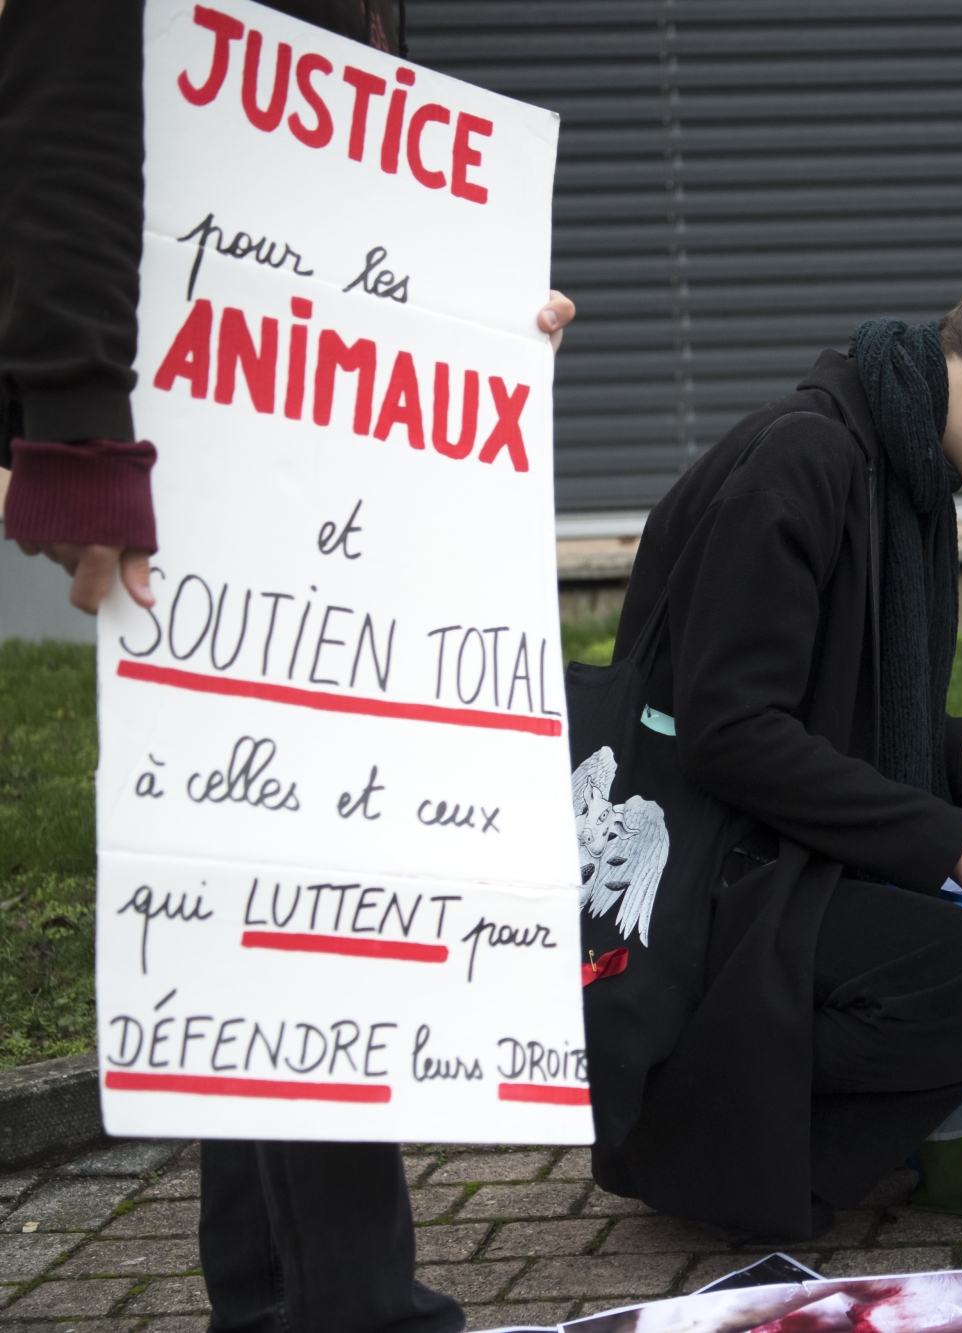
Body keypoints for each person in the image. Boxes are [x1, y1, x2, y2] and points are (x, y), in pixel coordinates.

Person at [0, 3, 572, 1329]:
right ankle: (353, 1306)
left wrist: (480, 319)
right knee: (284, 838)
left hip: (298, 414)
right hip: (193, 421)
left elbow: (354, 187)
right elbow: (65, 104)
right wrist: (77, 438)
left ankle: (281, 1300)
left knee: (282, 843)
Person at [592, 238, 962, 1239]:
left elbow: (826, 700)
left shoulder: (895, 459)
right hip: (702, 873)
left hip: (769, 834)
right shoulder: (802, 459)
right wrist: (952, 843)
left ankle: (785, 1128)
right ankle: (690, 1117)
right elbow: (732, 734)